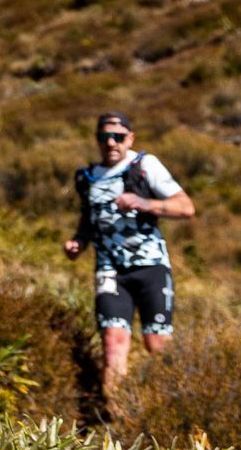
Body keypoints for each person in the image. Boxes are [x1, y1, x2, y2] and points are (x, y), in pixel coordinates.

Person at [65, 111, 195, 391]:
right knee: (113, 341)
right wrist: (78, 241)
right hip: (110, 269)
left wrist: (143, 203)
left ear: (130, 138)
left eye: (118, 137)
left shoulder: (145, 165)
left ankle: (172, 408)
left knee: (156, 342)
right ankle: (116, 419)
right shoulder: (87, 177)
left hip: (151, 266)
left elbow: (186, 207)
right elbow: (89, 219)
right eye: (104, 137)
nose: (111, 143)